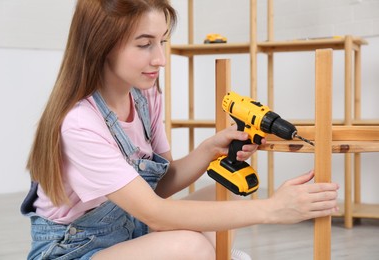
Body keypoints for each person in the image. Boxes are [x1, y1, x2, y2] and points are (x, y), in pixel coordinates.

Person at [21, 0, 339, 259]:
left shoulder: (144, 97)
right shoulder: (80, 122)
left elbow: (160, 186)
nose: (160, 59)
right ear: (101, 45)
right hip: (75, 250)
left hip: (132, 228)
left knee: (220, 195)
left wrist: (208, 150)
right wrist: (273, 210)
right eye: (145, 44)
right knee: (191, 247)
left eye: (162, 42)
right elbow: (157, 213)